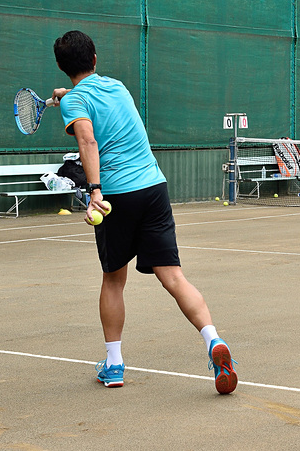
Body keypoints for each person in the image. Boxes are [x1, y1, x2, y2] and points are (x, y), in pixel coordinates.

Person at [51, 30, 237, 393]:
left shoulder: (76, 101)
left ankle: (114, 364)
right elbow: (90, 102)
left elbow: (87, 139)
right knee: (174, 278)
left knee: (113, 280)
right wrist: (67, 96)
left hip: (116, 195)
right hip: (153, 188)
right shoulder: (117, 87)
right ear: (94, 58)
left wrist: (94, 191)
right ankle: (213, 339)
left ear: (61, 66)